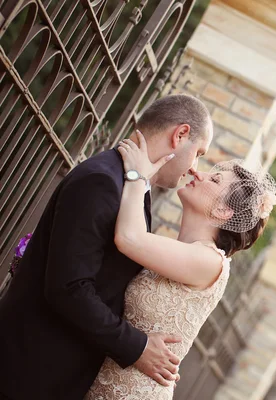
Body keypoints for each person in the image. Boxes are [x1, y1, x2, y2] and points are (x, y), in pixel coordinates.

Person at [0, 94, 213, 400]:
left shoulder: (130, 185)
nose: (195, 168)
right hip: (26, 371)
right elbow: (68, 287)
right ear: (180, 135)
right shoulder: (102, 180)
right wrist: (137, 346)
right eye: (199, 153)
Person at [85, 132, 276, 399]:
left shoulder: (210, 262)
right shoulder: (176, 252)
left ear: (223, 212)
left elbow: (129, 238)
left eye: (215, 179)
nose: (198, 174)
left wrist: (138, 174)